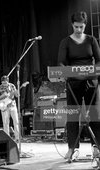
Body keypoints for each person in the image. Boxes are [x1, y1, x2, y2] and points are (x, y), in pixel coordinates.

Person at [58, 11, 100, 160]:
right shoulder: (66, 42)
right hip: (73, 83)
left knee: (94, 114)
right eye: (76, 27)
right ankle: (72, 148)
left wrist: (95, 72)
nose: (79, 30)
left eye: (81, 27)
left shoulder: (91, 40)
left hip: (91, 82)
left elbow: (99, 60)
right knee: (73, 116)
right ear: (72, 25)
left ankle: (96, 147)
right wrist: (65, 73)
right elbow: (61, 62)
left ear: (85, 25)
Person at [0, 75, 19, 142]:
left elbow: (17, 95)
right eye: (3, 83)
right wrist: (2, 96)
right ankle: (7, 138)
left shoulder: (12, 86)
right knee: (5, 123)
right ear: (1, 82)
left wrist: (17, 92)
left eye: (6, 83)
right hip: (5, 107)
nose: (5, 84)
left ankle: (17, 137)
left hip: (13, 105)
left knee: (16, 121)